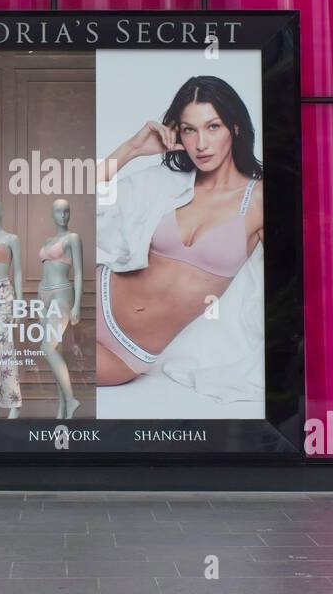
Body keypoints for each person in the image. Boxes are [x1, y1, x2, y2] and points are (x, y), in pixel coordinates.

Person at [95, 75, 264, 387]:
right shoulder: (166, 182)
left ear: (235, 127)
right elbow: (73, 201)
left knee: (27, 377)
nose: (201, 144)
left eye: (213, 126)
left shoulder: (259, 199)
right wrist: (131, 149)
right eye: (190, 129)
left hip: (126, 353)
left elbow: (296, 285)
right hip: (88, 298)